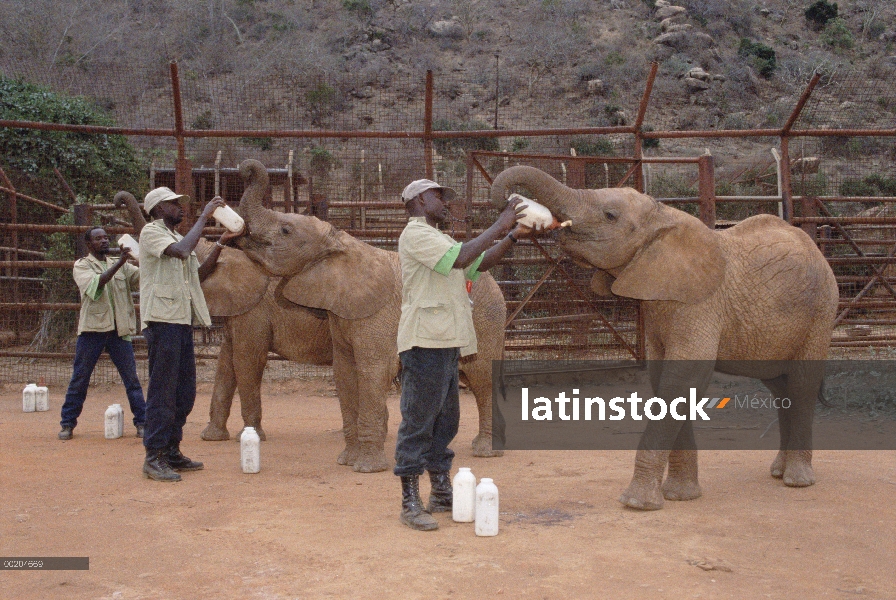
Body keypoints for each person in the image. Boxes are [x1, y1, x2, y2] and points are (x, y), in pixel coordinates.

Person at [394, 179, 527, 530]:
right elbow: (464, 256)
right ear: (421, 199)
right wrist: (501, 223)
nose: (445, 204)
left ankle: (440, 490)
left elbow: (478, 263)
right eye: (439, 197)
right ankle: (410, 500)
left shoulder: (440, 239)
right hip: (425, 341)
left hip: (446, 341)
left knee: (445, 420)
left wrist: (513, 236)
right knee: (418, 421)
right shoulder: (416, 235)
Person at [138, 188, 241, 482]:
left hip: (181, 321)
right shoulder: (151, 233)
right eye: (174, 204)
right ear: (158, 209)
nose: (181, 207)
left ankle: (171, 450)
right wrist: (205, 217)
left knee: (184, 391)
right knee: (163, 391)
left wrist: (220, 242)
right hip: (162, 321)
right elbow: (183, 251)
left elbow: (198, 274)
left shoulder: (174, 238)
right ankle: (153, 456)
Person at [59, 227, 145, 440]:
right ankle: (67, 423)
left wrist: (145, 258)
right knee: (80, 379)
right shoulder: (82, 265)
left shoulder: (120, 264)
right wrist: (120, 262)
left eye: (106, 237)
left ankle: (143, 423)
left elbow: (143, 278)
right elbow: (96, 285)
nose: (104, 241)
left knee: (132, 380)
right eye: (98, 238)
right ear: (89, 244)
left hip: (119, 330)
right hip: (92, 330)